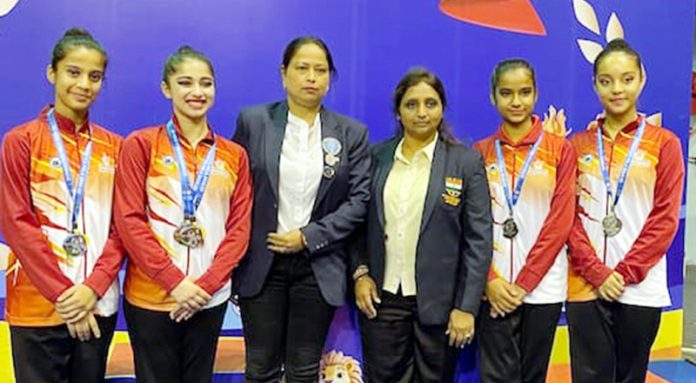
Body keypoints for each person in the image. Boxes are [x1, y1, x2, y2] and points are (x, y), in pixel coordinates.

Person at [232, 36, 370, 383]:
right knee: (260, 368)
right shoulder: (254, 121)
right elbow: (234, 190)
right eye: (302, 68)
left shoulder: (351, 133)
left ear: (329, 77)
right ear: (284, 74)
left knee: (304, 369)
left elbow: (359, 202)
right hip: (263, 262)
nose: (311, 77)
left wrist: (307, 237)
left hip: (318, 265)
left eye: (320, 70)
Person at [113, 46, 253, 383]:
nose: (197, 92)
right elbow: (129, 220)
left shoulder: (234, 155)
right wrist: (175, 283)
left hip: (210, 296)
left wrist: (204, 286)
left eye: (206, 84)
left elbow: (239, 229)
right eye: (185, 83)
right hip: (150, 296)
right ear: (167, 88)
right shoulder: (142, 145)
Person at [352, 68, 492, 383]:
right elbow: (357, 225)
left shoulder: (465, 163)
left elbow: (479, 241)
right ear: (398, 112)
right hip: (382, 300)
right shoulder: (376, 158)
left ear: (442, 109)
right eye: (411, 104)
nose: (422, 113)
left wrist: (466, 307)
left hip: (440, 306)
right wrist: (360, 274)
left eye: (431, 103)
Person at [0, 27, 124, 383]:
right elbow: (16, 223)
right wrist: (65, 296)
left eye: (95, 76)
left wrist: (91, 289)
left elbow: (123, 227)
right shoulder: (21, 141)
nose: (84, 84)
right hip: (37, 306)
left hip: (97, 303)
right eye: (73, 72)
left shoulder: (114, 147)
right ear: (51, 73)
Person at [567, 38, 684, 383]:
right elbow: (566, 218)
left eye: (626, 79)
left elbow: (664, 218)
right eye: (606, 81)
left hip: (640, 285)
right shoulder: (577, 145)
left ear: (642, 78)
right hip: (585, 284)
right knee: (589, 377)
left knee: (630, 376)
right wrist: (597, 273)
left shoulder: (665, 144)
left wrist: (626, 273)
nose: (617, 89)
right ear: (594, 84)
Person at [474, 58, 576, 383]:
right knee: (495, 376)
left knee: (533, 375)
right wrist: (489, 278)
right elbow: (472, 225)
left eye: (524, 92)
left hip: (542, 287)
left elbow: (560, 222)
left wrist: (525, 283)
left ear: (536, 94)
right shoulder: (480, 153)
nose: (516, 101)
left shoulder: (560, 150)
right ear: (493, 97)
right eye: (506, 93)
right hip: (495, 286)